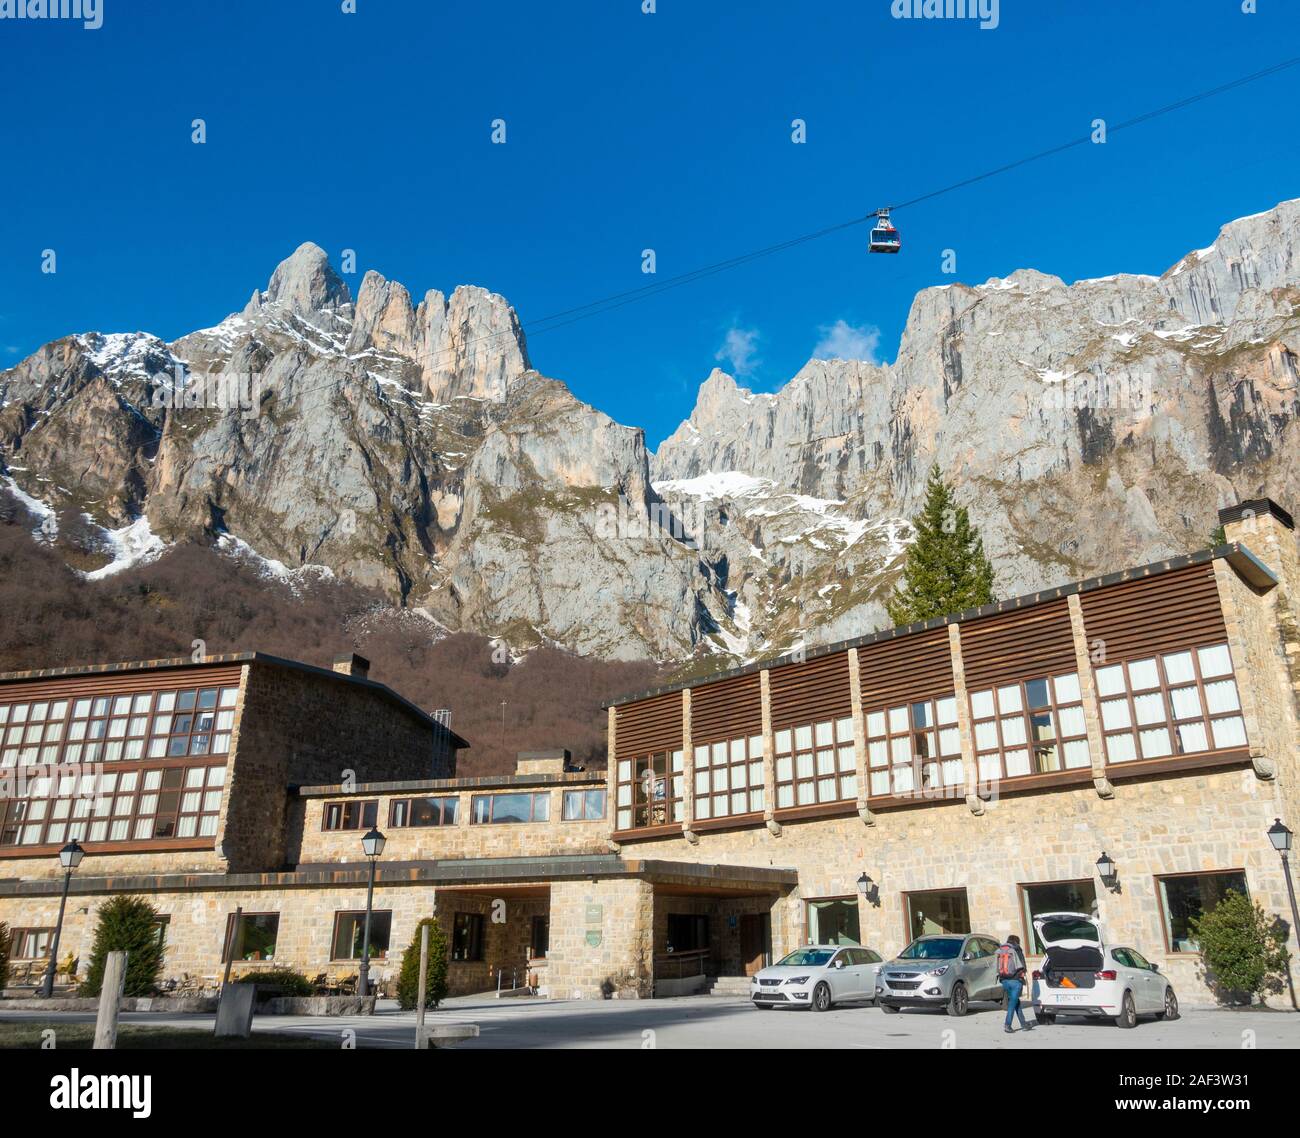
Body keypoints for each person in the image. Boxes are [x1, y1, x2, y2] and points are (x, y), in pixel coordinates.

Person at [996, 934, 1033, 1034]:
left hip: (1004, 981)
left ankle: (1024, 1024)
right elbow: (1023, 966)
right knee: (1012, 1003)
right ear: (1017, 941)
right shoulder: (1017, 949)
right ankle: (1007, 1025)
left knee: (1016, 1003)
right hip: (1015, 981)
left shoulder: (1001, 949)